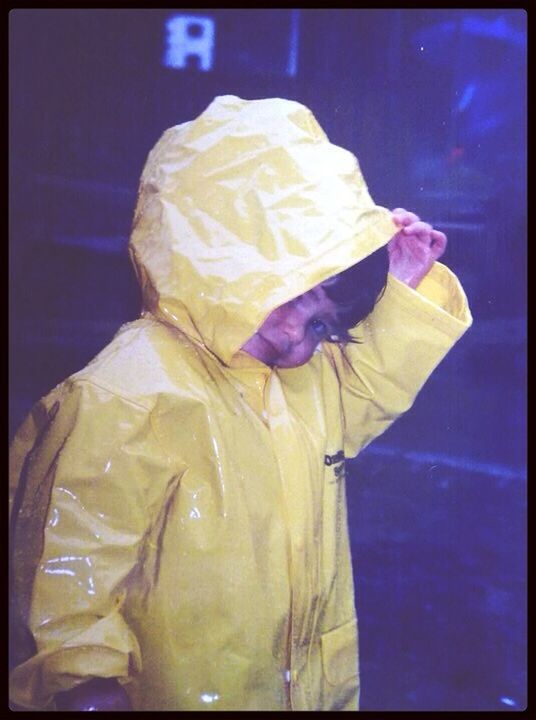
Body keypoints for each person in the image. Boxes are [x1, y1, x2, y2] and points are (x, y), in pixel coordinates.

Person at [9, 95, 472, 711]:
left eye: (319, 329)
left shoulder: (304, 384)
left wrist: (402, 290)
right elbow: (66, 562)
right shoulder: (128, 394)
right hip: (169, 688)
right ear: (211, 265)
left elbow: (366, 390)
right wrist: (81, 682)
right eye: (279, 300)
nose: (292, 340)